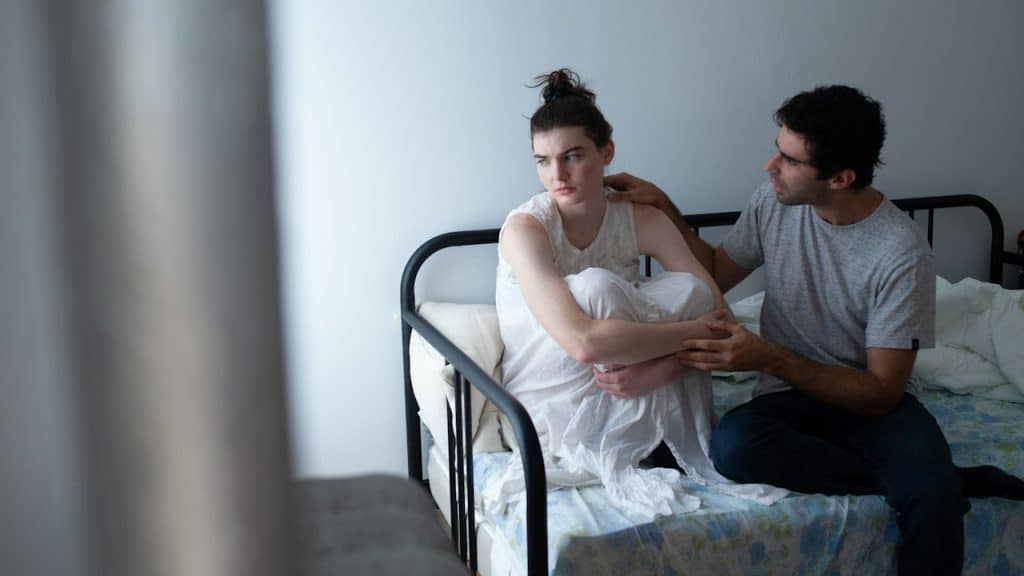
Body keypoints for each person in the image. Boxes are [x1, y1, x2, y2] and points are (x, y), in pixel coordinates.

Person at [602, 84, 1024, 575]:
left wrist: (766, 357)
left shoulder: (901, 253)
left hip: (868, 403)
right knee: (734, 447)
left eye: (789, 160)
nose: (770, 166)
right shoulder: (774, 202)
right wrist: (664, 209)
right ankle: (941, 478)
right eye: (777, 150)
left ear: (841, 178)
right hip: (787, 398)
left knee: (933, 505)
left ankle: (928, 483)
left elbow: (882, 392)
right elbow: (715, 271)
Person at [485, 69, 785, 518]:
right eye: (543, 161)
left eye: (572, 156)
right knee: (597, 285)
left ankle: (646, 430)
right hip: (552, 392)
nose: (557, 175)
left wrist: (664, 368)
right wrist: (689, 337)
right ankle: (622, 436)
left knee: (690, 288)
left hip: (630, 375)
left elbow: (717, 312)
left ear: (607, 151)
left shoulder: (638, 218)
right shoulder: (526, 229)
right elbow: (582, 343)